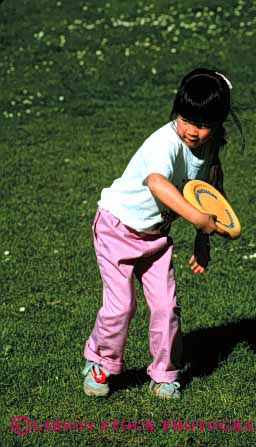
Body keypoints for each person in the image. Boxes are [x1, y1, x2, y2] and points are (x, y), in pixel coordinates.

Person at [82, 67, 242, 399]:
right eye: (186, 119)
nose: (192, 131)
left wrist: (203, 238)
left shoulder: (210, 149)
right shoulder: (165, 143)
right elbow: (157, 183)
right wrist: (198, 220)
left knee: (167, 307)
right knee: (121, 306)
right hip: (117, 229)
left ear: (217, 124)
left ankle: (165, 373)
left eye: (202, 125)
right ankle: (99, 361)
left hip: (155, 239)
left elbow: (210, 190)